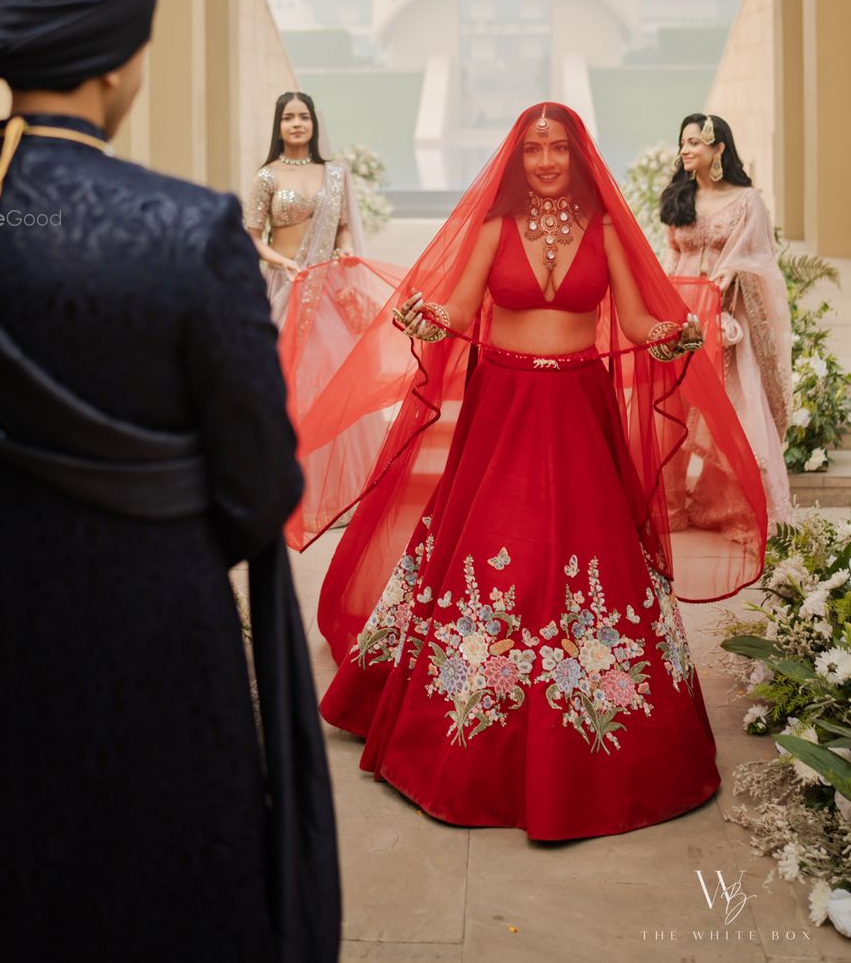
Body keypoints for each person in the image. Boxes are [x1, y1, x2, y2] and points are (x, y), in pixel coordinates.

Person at [0, 0, 339, 963]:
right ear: (118, 63)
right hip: (158, 643)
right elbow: (259, 495)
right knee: (161, 892)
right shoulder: (187, 227)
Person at [281, 103, 767, 839]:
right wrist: (425, 320)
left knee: (586, 556)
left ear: (578, 156)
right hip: (503, 406)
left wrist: (667, 337)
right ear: (517, 158)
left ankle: (602, 733)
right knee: (490, 555)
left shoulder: (605, 231)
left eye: (558, 148)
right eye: (534, 148)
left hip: (577, 406)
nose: (545, 161)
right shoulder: (492, 230)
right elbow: (457, 309)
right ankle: (456, 730)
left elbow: (635, 322)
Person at [660, 112, 794, 531]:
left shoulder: (747, 200)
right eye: (683, 141)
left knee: (737, 408)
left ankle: (746, 507)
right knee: (673, 407)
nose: (685, 149)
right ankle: (670, 505)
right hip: (682, 315)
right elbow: (671, 256)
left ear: (718, 149)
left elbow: (759, 256)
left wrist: (732, 271)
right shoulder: (679, 198)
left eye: (695, 142)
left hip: (725, 314)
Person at [244, 93, 363, 328]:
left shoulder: (333, 174)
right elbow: (253, 239)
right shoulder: (267, 176)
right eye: (288, 118)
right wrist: (283, 263)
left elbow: (343, 229)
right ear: (278, 129)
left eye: (304, 117)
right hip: (282, 281)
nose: (297, 123)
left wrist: (347, 248)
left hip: (324, 284)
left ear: (313, 126)